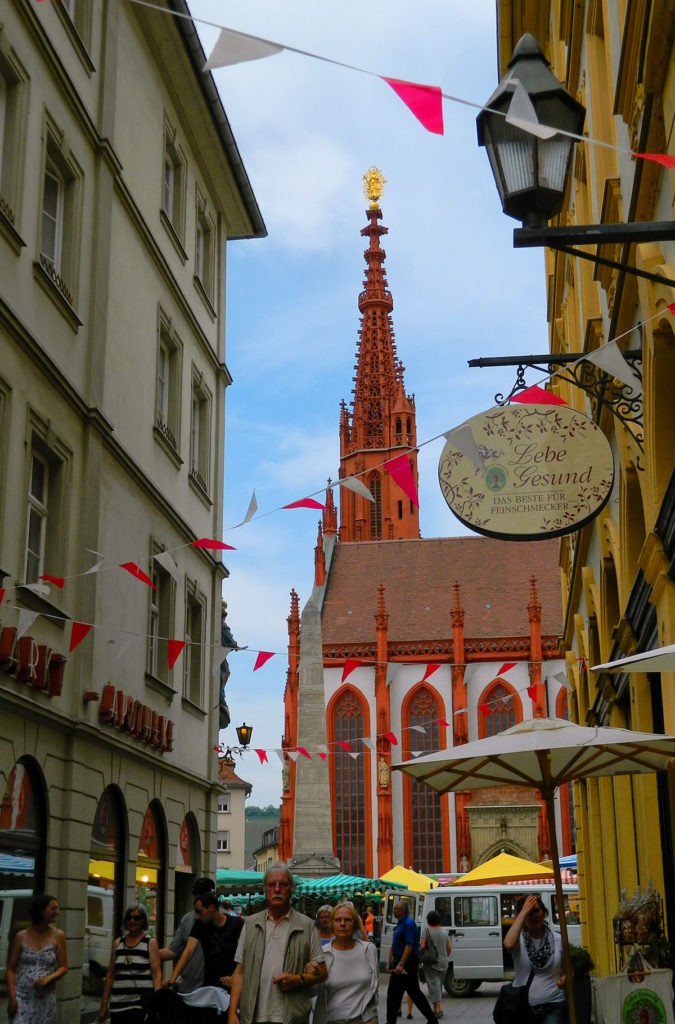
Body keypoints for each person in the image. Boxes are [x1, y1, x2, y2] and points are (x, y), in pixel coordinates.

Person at [227, 863, 327, 1024]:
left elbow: (322, 972)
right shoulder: (250, 924)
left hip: (291, 1017)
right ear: (265, 889)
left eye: (283, 885)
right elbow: (240, 971)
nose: (277, 889)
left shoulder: (306, 925)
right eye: (272, 885)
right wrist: (232, 1013)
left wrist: (299, 979)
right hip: (253, 1016)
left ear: (291, 889)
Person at [503, 892, 567, 1024]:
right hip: (524, 1007)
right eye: (528, 914)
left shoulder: (559, 939)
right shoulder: (517, 940)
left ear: (543, 912)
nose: (532, 916)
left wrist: (565, 979)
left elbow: (566, 970)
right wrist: (522, 912)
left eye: (536, 911)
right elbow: (508, 944)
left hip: (555, 1005)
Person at [6, 893, 68, 1023]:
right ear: (41, 910)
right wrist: (12, 997)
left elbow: (63, 967)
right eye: (53, 908)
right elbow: (11, 969)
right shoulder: (21, 936)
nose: (57, 912)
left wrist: (49, 978)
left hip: (45, 1000)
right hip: (22, 997)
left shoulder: (58, 936)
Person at [313, 905, 378, 1024]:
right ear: (332, 924)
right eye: (338, 920)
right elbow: (313, 991)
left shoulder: (368, 950)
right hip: (332, 1020)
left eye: (348, 919)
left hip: (365, 1020)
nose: (342, 924)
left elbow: (374, 986)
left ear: (355, 924)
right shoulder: (323, 954)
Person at [98, 903, 161, 1022]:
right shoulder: (118, 943)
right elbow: (111, 975)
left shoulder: (150, 942)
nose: (132, 921)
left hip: (139, 1005)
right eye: (129, 917)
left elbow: (156, 975)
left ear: (143, 921)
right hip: (118, 1005)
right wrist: (104, 1004)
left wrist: (158, 1002)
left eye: (136, 918)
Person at [159, 877, 215, 993]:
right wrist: (147, 952)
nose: (199, 898)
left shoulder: (224, 921)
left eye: (202, 894)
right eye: (196, 894)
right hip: (189, 989)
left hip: (213, 991)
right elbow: (175, 951)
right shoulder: (189, 919)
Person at [385, 902, 437, 1024]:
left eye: (395, 909)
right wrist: (390, 962)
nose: (393, 911)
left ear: (401, 910)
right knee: (412, 993)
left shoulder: (408, 923)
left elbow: (409, 945)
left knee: (395, 994)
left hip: (407, 963)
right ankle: (432, 1019)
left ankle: (391, 1021)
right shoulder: (402, 923)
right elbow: (395, 945)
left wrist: (401, 964)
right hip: (403, 961)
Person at [419, 911, 450, 1017]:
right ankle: (435, 1009)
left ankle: (440, 1007)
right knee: (438, 985)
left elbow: (422, 946)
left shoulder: (426, 931)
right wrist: (445, 956)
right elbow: (449, 948)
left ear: (428, 920)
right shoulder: (444, 932)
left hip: (431, 962)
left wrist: (421, 957)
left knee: (433, 984)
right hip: (444, 961)